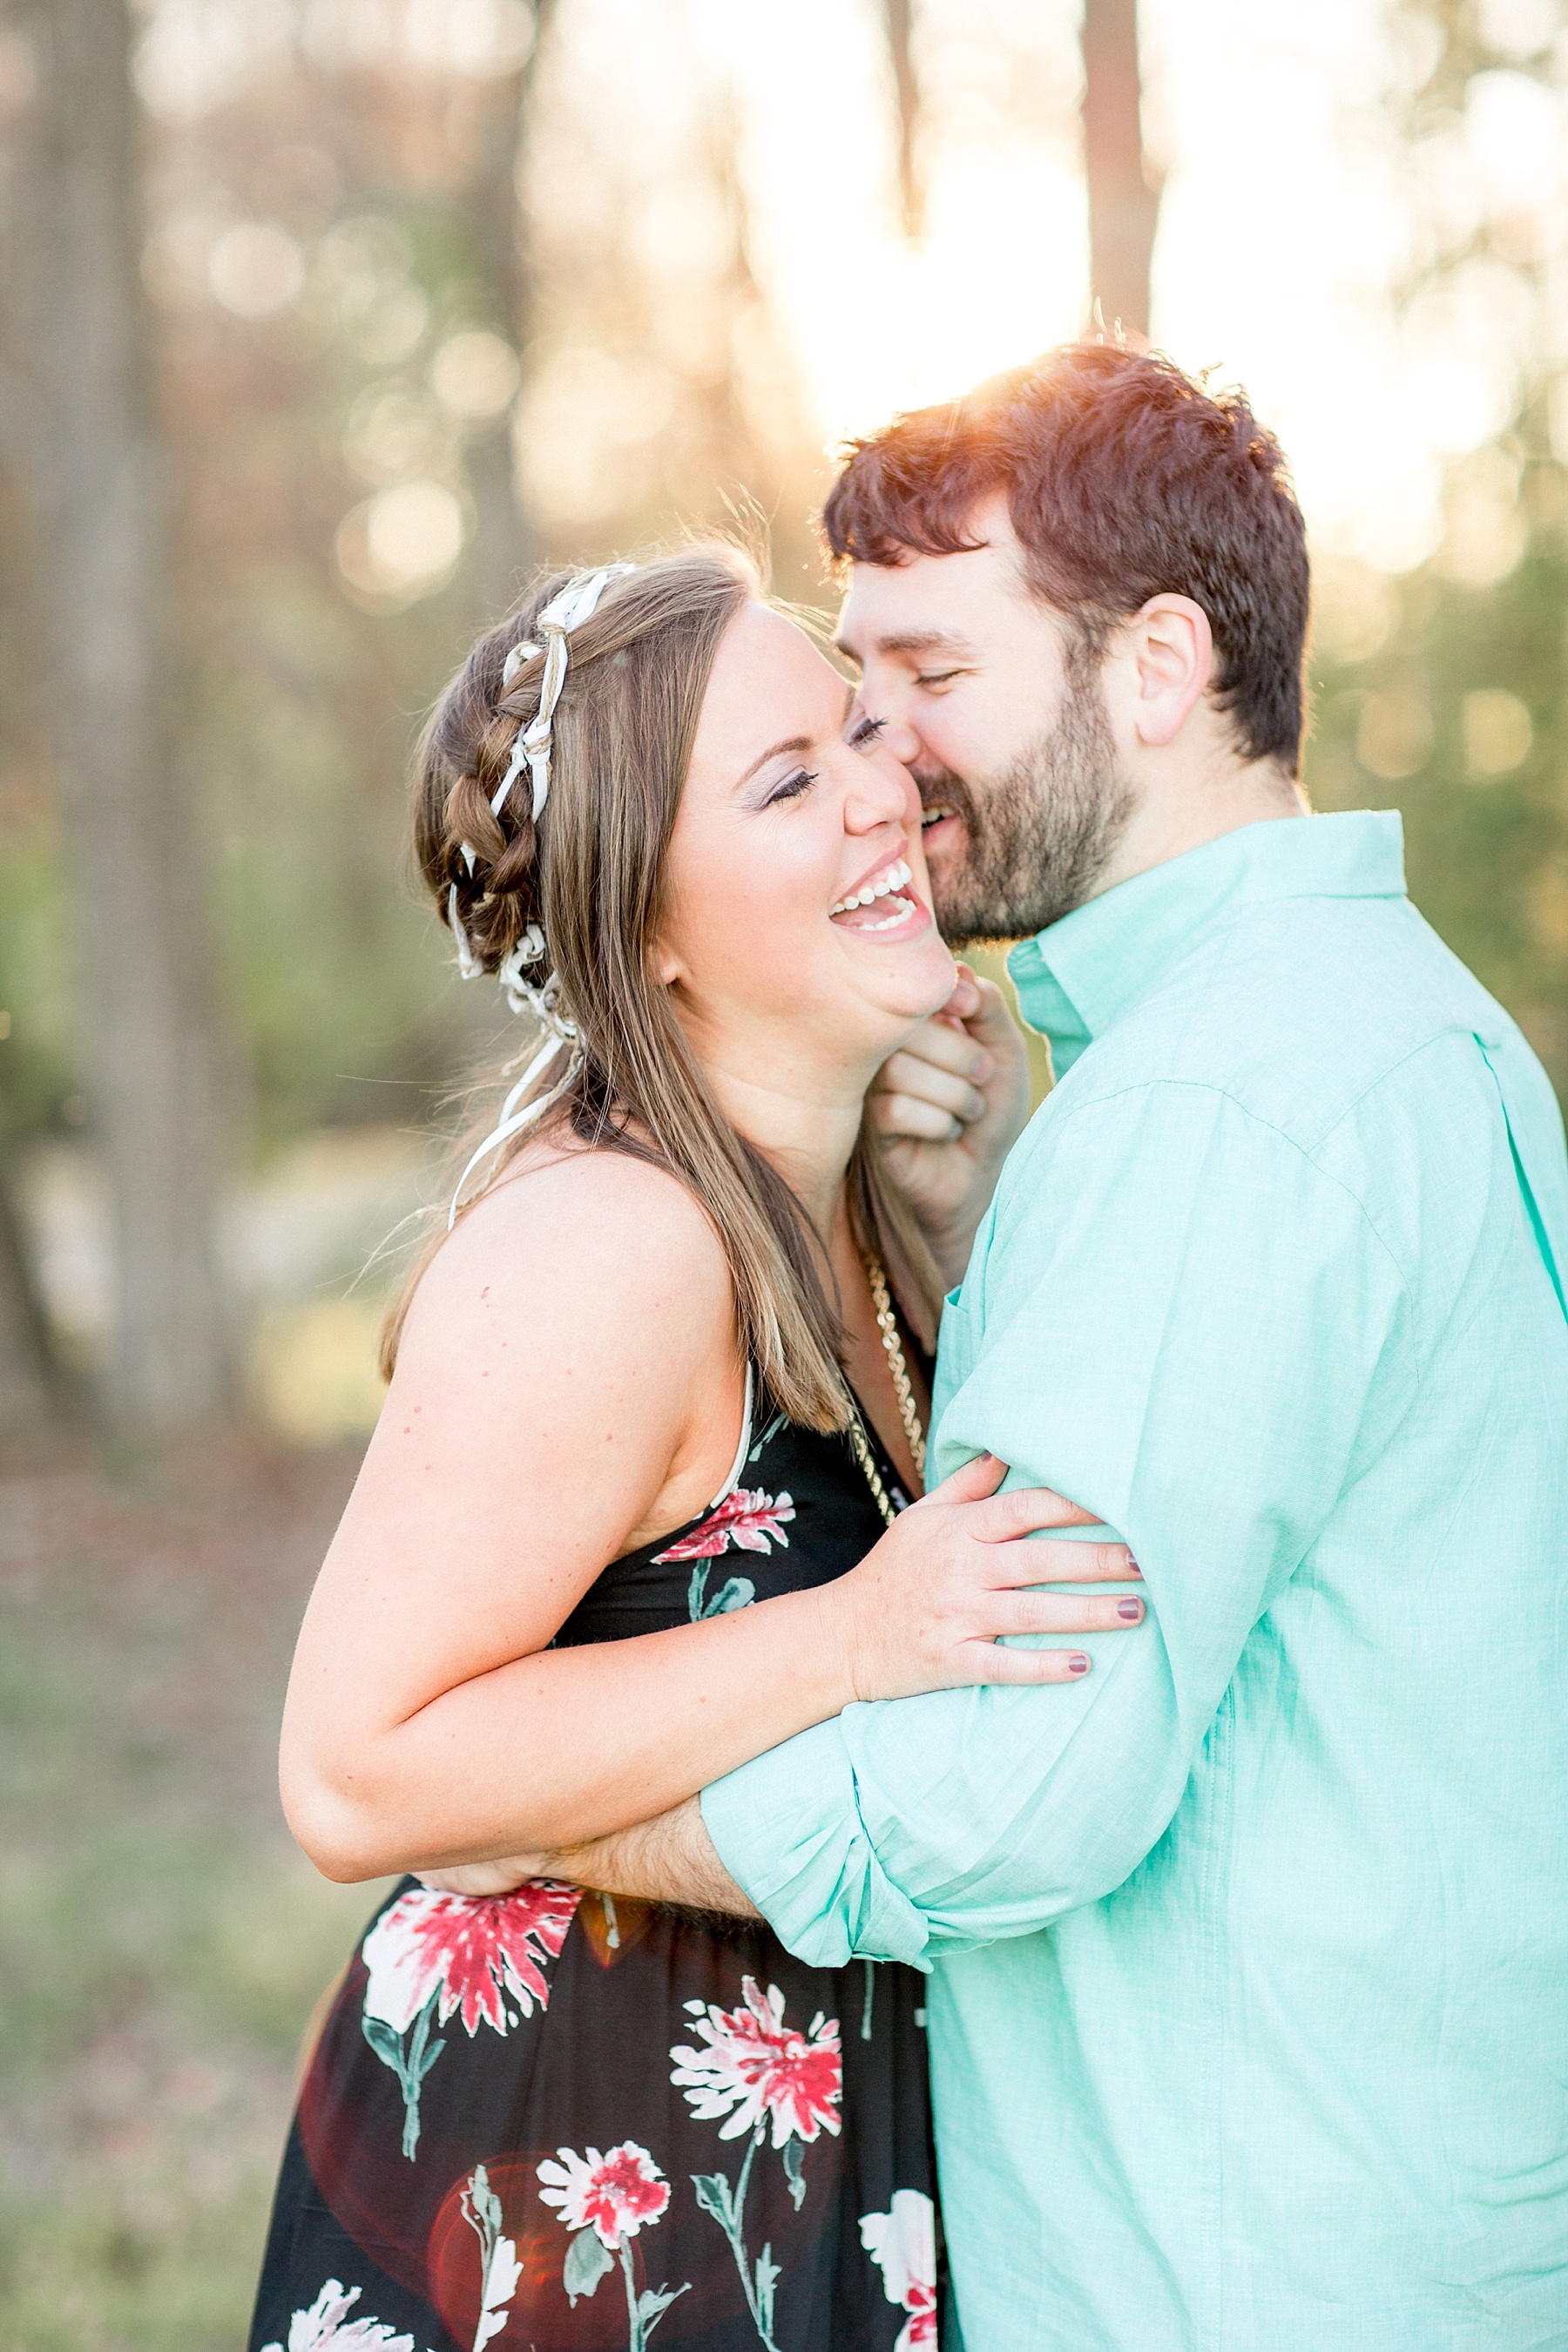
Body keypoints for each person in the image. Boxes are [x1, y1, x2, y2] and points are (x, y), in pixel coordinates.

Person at [504, 348, 1568, 2349]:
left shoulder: (1211, 1117)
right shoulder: (1408, 1030)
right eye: (855, 684)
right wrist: (995, 1232)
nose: (884, 752)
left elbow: (1011, 1795)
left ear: (1156, 669)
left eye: (932, 670)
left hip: (1237, 2273)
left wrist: (542, 1804)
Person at [247, 546, 1146, 2352]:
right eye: (788, 780)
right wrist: (852, 1635)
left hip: (787, 2186)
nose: (885, 789)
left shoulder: (848, 1207)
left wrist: (961, 1221)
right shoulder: (616, 1244)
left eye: (857, 733)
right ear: (644, 924)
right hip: (563, 2215)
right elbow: (353, 1772)